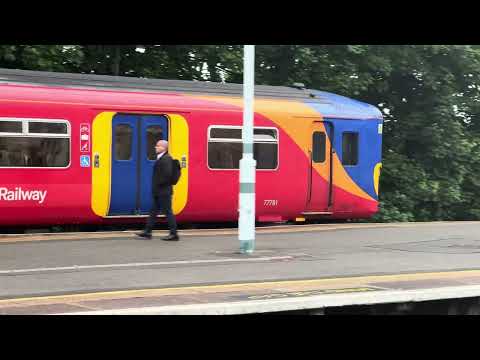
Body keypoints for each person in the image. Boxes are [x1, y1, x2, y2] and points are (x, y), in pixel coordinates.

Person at [136, 140, 179, 241]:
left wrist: (159, 184)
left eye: (157, 146)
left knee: (168, 212)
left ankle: (174, 234)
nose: (155, 147)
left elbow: (167, 175)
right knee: (153, 211)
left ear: (163, 148)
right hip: (159, 191)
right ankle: (148, 232)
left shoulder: (166, 159)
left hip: (164, 191)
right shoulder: (162, 158)